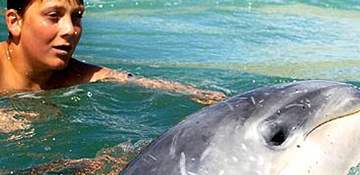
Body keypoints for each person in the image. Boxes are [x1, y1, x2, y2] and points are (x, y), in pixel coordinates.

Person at [0, 0, 226, 104]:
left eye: (77, 16)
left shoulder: (74, 75)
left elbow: (132, 80)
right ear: (14, 21)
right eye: (53, 16)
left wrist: (201, 95)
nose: (71, 30)